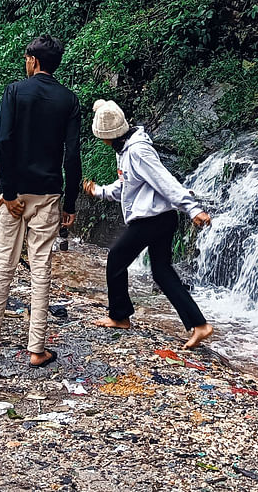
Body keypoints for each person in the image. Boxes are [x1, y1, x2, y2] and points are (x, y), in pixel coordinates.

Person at [0, 35, 80, 368]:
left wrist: (8, 192)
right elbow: (72, 157)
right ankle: (37, 349)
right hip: (49, 194)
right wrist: (70, 204)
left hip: (14, 194)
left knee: (2, 267)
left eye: (27, 59)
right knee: (41, 270)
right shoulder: (69, 100)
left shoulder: (14, 92)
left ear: (33, 61)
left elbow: (5, 142)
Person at [83, 99, 214, 349]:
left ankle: (119, 317)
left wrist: (192, 208)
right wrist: (98, 191)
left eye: (102, 136)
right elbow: (124, 187)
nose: (102, 141)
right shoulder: (127, 151)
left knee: (116, 259)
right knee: (162, 272)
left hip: (152, 220)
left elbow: (165, 180)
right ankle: (200, 325)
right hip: (160, 219)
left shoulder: (138, 151)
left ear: (109, 136)